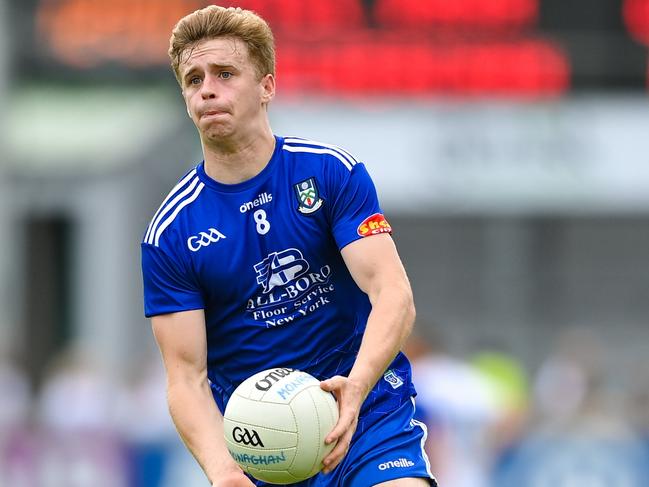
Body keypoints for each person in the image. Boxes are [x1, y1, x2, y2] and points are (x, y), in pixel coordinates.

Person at [141, 6, 435, 487]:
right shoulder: (171, 233)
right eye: (194, 80)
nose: (207, 89)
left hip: (364, 417)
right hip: (263, 449)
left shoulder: (329, 173)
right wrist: (223, 470)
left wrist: (357, 386)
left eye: (226, 74)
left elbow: (393, 293)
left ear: (267, 87)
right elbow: (186, 379)